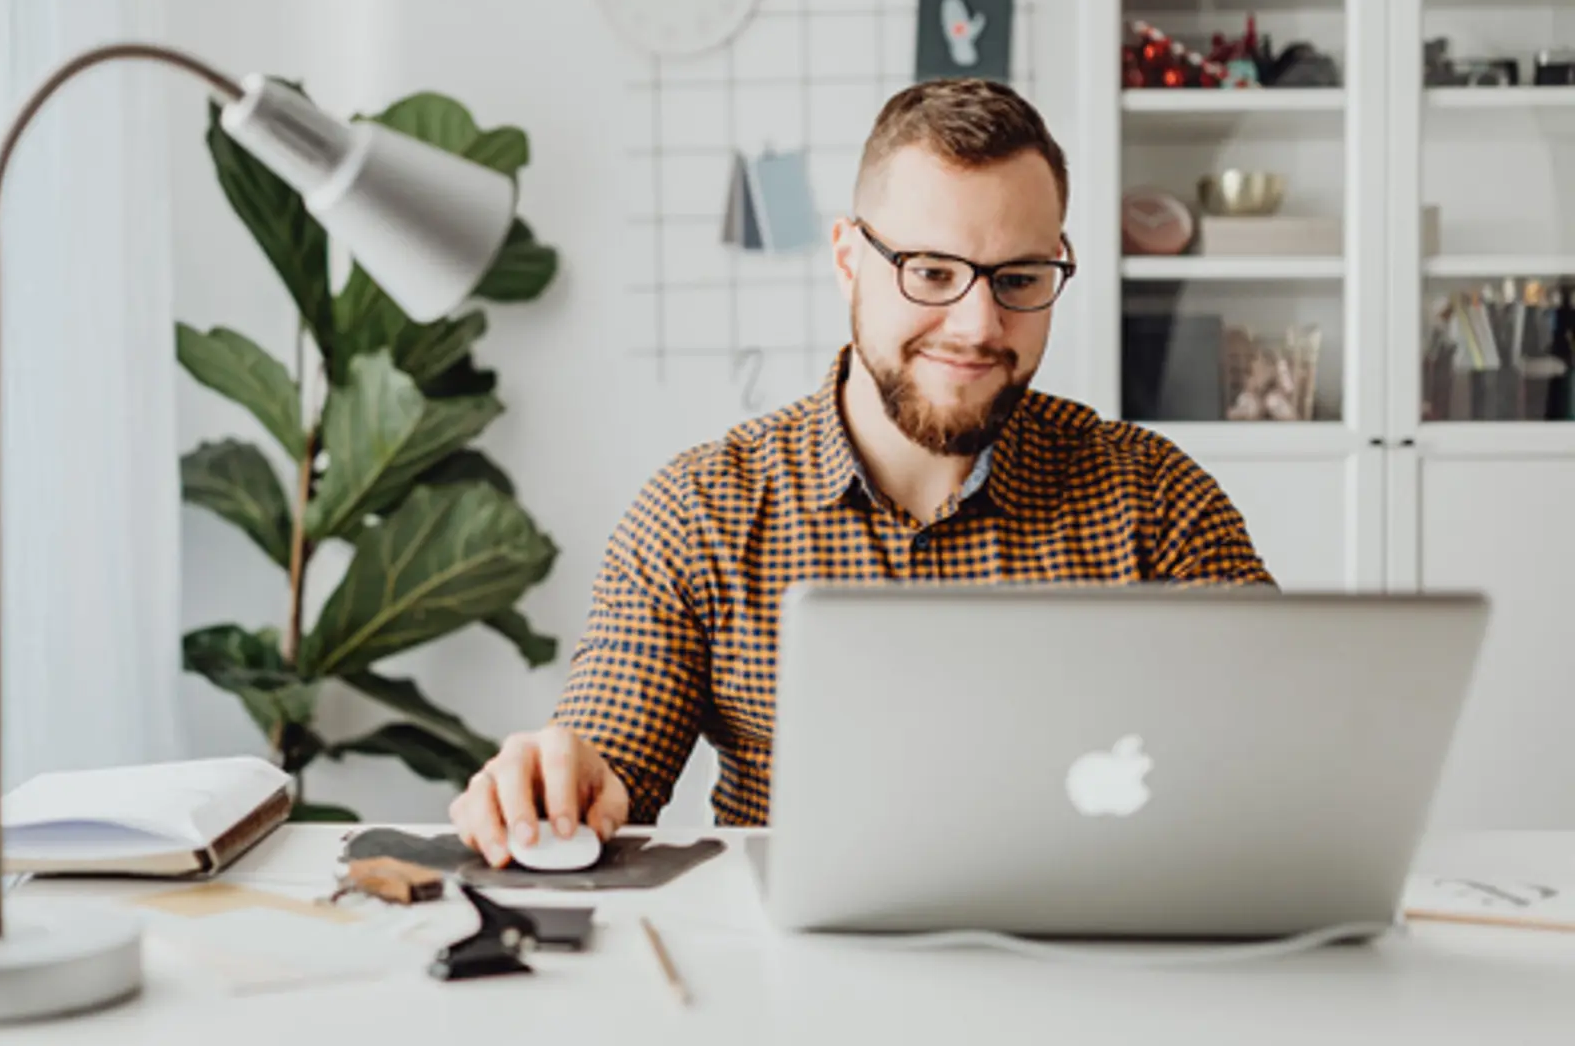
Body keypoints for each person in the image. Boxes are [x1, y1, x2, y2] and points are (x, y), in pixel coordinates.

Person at [450, 78, 1272, 866]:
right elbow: (609, 759)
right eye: (932, 272)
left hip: (1093, 969)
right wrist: (560, 783)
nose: (979, 325)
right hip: (797, 984)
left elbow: (1284, 753)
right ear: (849, 258)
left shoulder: (1156, 498)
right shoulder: (701, 510)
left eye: (1019, 279)